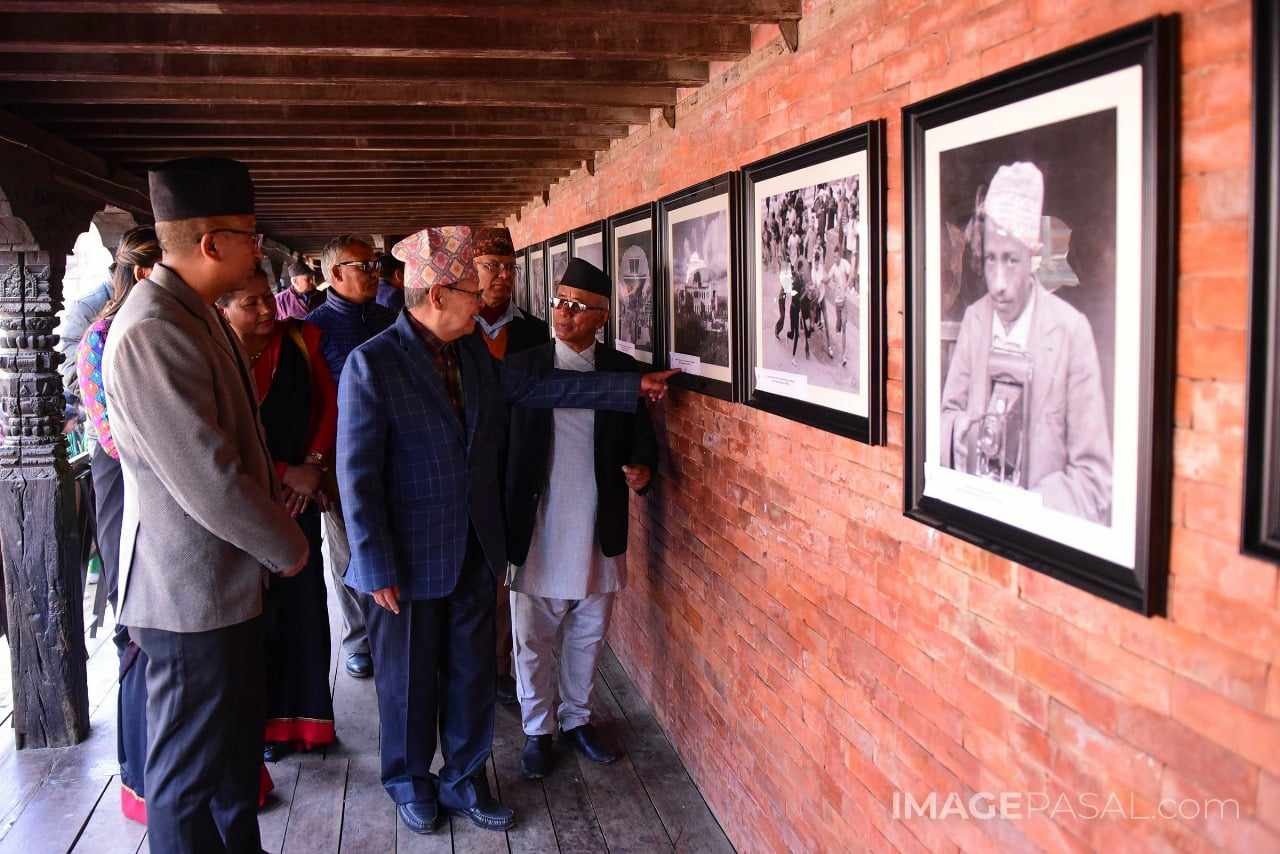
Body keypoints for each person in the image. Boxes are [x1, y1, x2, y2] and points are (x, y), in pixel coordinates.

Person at [337, 225, 676, 837]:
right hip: (406, 559)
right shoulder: (373, 364)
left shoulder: (469, 352)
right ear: (438, 295)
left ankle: (463, 778)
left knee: (470, 672)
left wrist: (627, 386)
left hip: (474, 546)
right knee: (409, 678)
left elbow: (535, 386)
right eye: (475, 286)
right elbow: (356, 474)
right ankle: (410, 782)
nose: (489, 294)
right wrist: (373, 563)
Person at [103, 156, 308, 853]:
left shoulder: (192, 313)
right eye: (250, 235)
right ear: (212, 243)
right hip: (186, 594)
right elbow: (209, 477)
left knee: (228, 769)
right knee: (188, 782)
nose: (260, 248)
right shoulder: (152, 327)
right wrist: (287, 545)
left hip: (220, 587)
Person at [504, 259, 657, 779]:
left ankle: (577, 719)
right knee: (532, 634)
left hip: (597, 518)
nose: (563, 314)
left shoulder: (621, 371)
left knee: (589, 629)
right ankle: (536, 729)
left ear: (603, 316)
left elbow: (642, 439)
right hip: (537, 518)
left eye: (577, 306)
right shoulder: (524, 366)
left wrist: (643, 471)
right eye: (558, 302)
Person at [940, 161, 1113, 523]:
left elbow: (1094, 481)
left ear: (1033, 256)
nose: (998, 283)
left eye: (1012, 261)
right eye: (990, 260)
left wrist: (1026, 510)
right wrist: (971, 439)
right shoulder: (974, 320)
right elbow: (945, 421)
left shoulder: (1070, 332)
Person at [218, 269, 339, 764]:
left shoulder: (302, 338)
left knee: (304, 606)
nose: (269, 311)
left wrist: (311, 468)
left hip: (300, 500)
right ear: (222, 308)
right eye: (252, 304)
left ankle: (306, 722)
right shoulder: (211, 354)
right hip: (243, 503)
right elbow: (211, 437)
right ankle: (261, 724)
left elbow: (329, 406)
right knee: (256, 618)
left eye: (269, 299)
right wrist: (283, 474)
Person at [76, 225, 162, 820]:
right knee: (135, 626)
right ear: (137, 274)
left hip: (165, 488)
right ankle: (140, 775)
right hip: (125, 492)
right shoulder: (101, 337)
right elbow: (111, 435)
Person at [304, 234, 396, 680]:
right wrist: (318, 466)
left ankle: (394, 630)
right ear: (335, 273)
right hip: (340, 456)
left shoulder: (389, 317)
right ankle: (359, 638)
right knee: (348, 548)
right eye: (366, 266)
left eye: (376, 264)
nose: (375, 273)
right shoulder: (312, 328)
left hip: (396, 448)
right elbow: (310, 406)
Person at [469, 226, 549, 705]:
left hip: (519, 465)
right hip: (468, 468)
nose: (502, 276)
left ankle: (501, 665)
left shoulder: (534, 332)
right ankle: (470, 664)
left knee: (508, 571)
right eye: (491, 267)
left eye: (508, 268)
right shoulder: (457, 331)